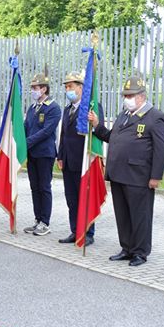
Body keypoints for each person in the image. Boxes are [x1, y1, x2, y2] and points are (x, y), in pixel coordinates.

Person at [89, 74, 164, 266]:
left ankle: (140, 252)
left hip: (139, 176)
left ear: (141, 96)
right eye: (125, 95)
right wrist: (97, 126)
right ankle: (127, 248)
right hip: (118, 173)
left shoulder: (155, 117)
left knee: (139, 215)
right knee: (123, 214)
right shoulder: (123, 115)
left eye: (130, 95)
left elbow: (162, 148)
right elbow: (112, 137)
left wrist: (156, 176)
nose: (127, 99)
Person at [57, 71, 103, 245]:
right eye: (66, 87)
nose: (68, 89)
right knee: (72, 199)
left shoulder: (92, 107)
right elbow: (63, 134)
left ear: (81, 88)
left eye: (71, 86)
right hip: (68, 161)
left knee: (85, 197)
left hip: (84, 161)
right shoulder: (67, 109)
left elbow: (98, 132)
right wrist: (60, 155)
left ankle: (88, 232)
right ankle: (75, 230)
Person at [23, 73, 62, 237]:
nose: (33, 90)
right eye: (32, 88)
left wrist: (28, 142)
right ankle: (37, 219)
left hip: (45, 153)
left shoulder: (53, 107)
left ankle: (45, 222)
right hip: (32, 153)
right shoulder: (32, 108)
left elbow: (46, 131)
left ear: (44, 89)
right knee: (34, 187)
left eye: (35, 88)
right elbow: (26, 127)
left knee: (44, 187)